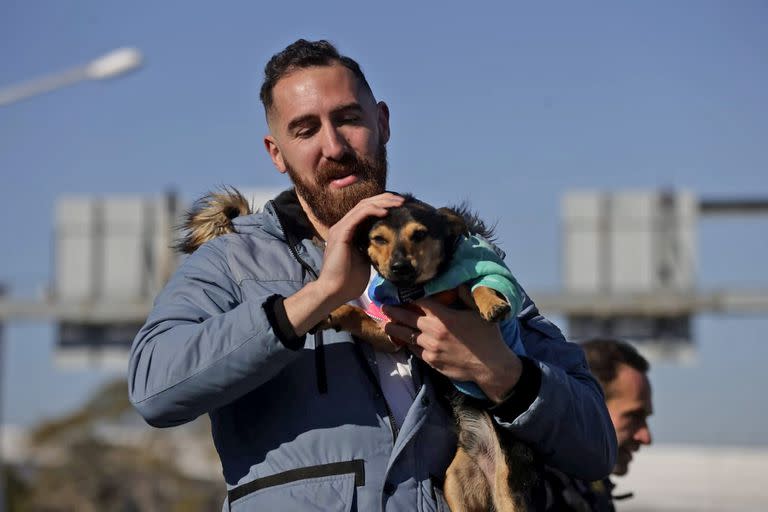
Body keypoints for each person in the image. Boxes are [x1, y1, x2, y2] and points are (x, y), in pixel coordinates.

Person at [128, 39, 616, 511]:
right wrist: (319, 296)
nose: (334, 145)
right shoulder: (233, 260)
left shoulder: (456, 252)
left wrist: (500, 371)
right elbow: (155, 388)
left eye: (348, 119)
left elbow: (595, 443)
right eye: (305, 130)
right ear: (276, 153)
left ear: (382, 121)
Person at [543, 338, 653, 511]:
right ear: (588, 408)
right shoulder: (530, 492)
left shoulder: (588, 488)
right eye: (633, 416)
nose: (646, 437)